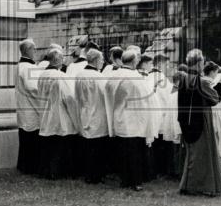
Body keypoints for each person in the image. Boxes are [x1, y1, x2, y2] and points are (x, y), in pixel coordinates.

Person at [177, 49, 221, 196]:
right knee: (203, 154)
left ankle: (188, 185)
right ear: (198, 63)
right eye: (202, 62)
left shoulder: (184, 79)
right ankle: (201, 186)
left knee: (193, 154)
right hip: (201, 120)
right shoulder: (200, 81)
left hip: (187, 121)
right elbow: (214, 99)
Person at [109, 48, 154, 190]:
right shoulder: (136, 78)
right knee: (135, 153)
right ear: (134, 61)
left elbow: (109, 93)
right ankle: (135, 181)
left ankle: (125, 180)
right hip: (134, 120)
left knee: (123, 152)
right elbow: (146, 97)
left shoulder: (115, 75)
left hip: (120, 117)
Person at [37, 46, 81, 179]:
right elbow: (69, 98)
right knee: (60, 147)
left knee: (49, 147)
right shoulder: (61, 76)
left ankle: (47, 171)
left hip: (46, 114)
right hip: (60, 116)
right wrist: (76, 119)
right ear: (59, 60)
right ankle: (59, 172)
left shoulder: (42, 75)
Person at [74, 47, 110, 183]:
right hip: (98, 113)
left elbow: (76, 95)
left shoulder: (79, 75)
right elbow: (106, 96)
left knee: (87, 145)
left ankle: (88, 173)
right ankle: (96, 175)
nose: (102, 62)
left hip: (84, 111)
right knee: (97, 147)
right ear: (95, 60)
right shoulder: (99, 77)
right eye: (101, 59)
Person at [15, 38, 42, 174]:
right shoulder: (28, 67)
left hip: (24, 107)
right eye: (34, 49)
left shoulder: (20, 66)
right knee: (31, 139)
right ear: (28, 50)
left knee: (26, 138)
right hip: (31, 107)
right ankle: (30, 167)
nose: (36, 51)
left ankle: (24, 166)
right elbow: (33, 87)